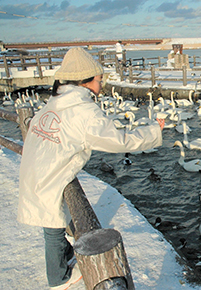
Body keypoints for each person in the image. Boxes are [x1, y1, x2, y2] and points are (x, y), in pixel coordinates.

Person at [17, 47, 164, 289]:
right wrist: (154, 131)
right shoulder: (83, 110)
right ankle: (59, 279)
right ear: (86, 81)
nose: (102, 84)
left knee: (52, 220)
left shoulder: (56, 100)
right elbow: (118, 141)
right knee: (53, 227)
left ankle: (64, 261)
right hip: (48, 173)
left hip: (35, 167)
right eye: (100, 79)